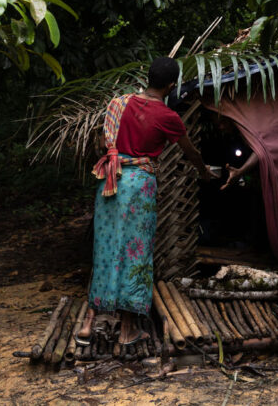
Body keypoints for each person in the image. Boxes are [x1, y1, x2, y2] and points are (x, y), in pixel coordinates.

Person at [75, 56, 213, 346]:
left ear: (148, 77)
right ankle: (127, 330)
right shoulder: (168, 117)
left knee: (105, 248)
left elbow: (104, 143)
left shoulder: (120, 103)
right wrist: (203, 171)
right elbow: (190, 152)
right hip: (138, 185)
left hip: (110, 181)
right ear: (172, 85)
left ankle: (88, 324)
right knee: (135, 253)